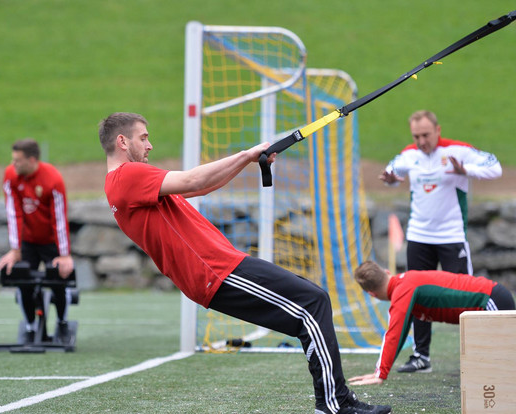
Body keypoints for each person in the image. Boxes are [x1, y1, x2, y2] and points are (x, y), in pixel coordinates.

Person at [99, 112, 391, 414]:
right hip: (215, 271)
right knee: (313, 305)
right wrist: (246, 154)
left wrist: (247, 160)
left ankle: (335, 401)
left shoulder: (128, 183)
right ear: (122, 141)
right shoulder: (125, 177)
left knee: (313, 305)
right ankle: (334, 405)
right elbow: (194, 178)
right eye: (143, 138)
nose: (149, 145)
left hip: (220, 268)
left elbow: (200, 187)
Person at [379, 110, 502, 374]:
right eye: (416, 136)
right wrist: (390, 179)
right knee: (416, 297)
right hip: (419, 237)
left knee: (466, 299)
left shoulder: (459, 151)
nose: (421, 141)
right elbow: (391, 170)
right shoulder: (410, 154)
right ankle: (421, 356)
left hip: (452, 237)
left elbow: (495, 167)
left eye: (426, 135)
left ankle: (477, 355)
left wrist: (465, 169)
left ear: (438, 130)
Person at [348, 260, 515, 385]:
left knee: (504, 365)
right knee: (497, 369)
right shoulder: (403, 283)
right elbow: (402, 330)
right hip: (493, 298)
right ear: (386, 271)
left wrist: (380, 374)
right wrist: (381, 371)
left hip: (490, 301)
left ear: (371, 294)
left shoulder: (402, 289)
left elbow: (394, 332)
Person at [0, 138, 74, 344]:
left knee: (59, 280)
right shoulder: (10, 176)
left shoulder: (53, 180)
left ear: (32, 160)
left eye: (18, 161)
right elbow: (13, 213)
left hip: (51, 242)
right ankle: (31, 326)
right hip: (27, 241)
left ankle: (62, 323)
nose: (14, 165)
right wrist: (15, 249)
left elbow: (59, 218)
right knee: (22, 280)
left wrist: (64, 255)